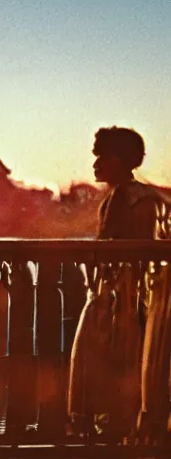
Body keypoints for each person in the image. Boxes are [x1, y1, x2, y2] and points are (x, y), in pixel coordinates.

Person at [67, 126, 161, 439]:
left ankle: (122, 434)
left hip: (131, 296)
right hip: (107, 293)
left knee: (124, 361)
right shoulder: (114, 200)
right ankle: (103, 431)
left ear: (119, 161)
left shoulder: (142, 200)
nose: (96, 164)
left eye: (102, 157)